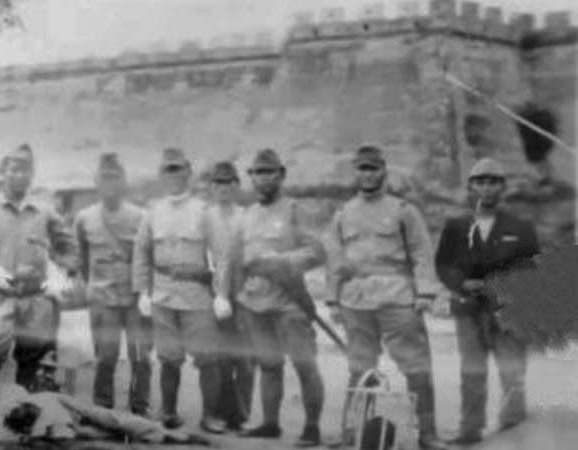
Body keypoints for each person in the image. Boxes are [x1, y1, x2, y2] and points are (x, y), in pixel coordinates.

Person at [323, 145, 447, 450]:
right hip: (356, 300)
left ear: (384, 171)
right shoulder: (343, 214)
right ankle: (352, 432)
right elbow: (335, 258)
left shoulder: (403, 210)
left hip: (398, 298)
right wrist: (332, 299)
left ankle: (427, 434)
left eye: (373, 168)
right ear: (355, 172)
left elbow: (421, 252)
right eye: (362, 169)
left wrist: (425, 293)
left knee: (415, 366)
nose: (367, 174)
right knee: (360, 368)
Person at [0, 144, 79, 414]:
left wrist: (63, 273)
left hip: (36, 293)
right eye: (13, 170)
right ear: (4, 172)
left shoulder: (44, 211)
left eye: (25, 170)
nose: (19, 176)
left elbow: (69, 246)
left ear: (32, 174)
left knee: (32, 349)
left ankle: (21, 400)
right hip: (0, 292)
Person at [218, 149, 325, 446]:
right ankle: (269, 423)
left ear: (281, 175)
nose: (262, 179)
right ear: (251, 178)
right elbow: (232, 258)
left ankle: (312, 428)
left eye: (269, 172)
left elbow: (317, 252)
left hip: (290, 303)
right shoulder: (247, 216)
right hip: (255, 303)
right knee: (268, 365)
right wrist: (229, 297)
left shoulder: (294, 210)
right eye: (257, 173)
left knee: (305, 365)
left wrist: (281, 260)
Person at [434, 158, 539, 445]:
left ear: (503, 186)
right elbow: (443, 264)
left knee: (512, 371)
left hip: (507, 310)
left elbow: (531, 267)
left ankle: (514, 428)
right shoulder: (456, 226)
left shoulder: (520, 227)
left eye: (493, 181)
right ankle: (470, 429)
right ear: (470, 186)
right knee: (471, 372)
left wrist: (498, 286)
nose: (487, 188)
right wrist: (460, 283)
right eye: (480, 181)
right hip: (468, 309)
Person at [132, 147, 225, 432]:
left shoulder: (204, 211)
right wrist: (143, 293)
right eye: (168, 170)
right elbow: (142, 253)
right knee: (168, 358)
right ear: (162, 175)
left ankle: (210, 415)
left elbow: (221, 256)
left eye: (178, 169)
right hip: (163, 296)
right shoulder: (153, 212)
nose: (173, 175)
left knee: (207, 358)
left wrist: (221, 294)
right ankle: (169, 412)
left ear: (188, 173)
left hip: (196, 296)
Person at [73, 153, 152, 416]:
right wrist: (89, 286)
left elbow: (147, 257)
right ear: (95, 182)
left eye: (115, 178)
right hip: (102, 299)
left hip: (134, 299)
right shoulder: (84, 218)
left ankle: (139, 408)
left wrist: (145, 294)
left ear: (124, 182)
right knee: (105, 357)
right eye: (104, 178)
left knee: (140, 357)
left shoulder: (140, 216)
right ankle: (103, 407)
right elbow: (80, 258)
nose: (109, 184)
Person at [202, 161, 254, 432]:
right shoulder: (205, 216)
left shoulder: (246, 216)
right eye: (218, 183)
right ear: (211, 187)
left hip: (243, 293)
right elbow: (201, 255)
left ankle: (241, 415)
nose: (223, 188)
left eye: (228, 183)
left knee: (245, 358)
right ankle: (219, 412)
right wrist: (214, 293)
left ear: (236, 185)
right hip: (213, 294)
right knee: (219, 357)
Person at [0, 384, 209, 445]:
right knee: (90, 436)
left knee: (111, 420)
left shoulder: (49, 404)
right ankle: (148, 432)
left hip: (70, 409)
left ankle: (165, 432)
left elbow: (80, 419)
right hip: (54, 424)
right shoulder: (6, 424)